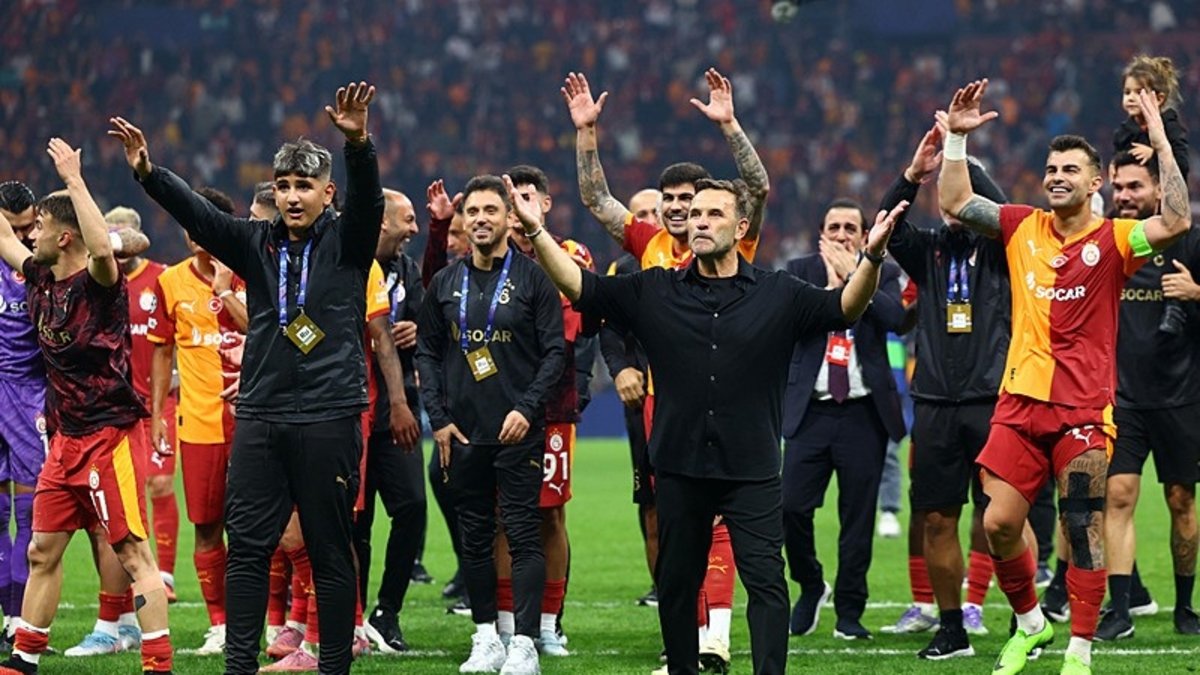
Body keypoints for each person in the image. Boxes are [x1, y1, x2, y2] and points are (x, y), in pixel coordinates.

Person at [509, 172, 907, 675]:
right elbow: (580, 286)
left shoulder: (779, 292)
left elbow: (845, 308)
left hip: (752, 469)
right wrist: (536, 231)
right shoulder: (654, 288)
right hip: (679, 466)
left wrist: (871, 258)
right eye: (694, 213)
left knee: (767, 584)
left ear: (741, 227)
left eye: (713, 213)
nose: (698, 221)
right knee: (677, 584)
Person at [113, 80, 384, 675]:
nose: (292, 196)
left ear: (327, 192)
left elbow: (369, 201)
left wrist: (359, 143)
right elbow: (200, 215)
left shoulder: (349, 242)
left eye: (304, 186)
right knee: (249, 551)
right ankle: (239, 667)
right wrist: (149, 173)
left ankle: (333, 667)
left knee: (330, 551)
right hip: (261, 417)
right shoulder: (256, 243)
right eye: (283, 185)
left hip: (329, 415)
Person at [938, 78, 1192, 675]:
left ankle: (1079, 650)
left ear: (1094, 182)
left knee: (1082, 527)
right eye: (1051, 169)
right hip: (1019, 404)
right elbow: (955, 202)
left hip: (1082, 411)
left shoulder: (1116, 239)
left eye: (1070, 170)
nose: (1057, 177)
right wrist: (956, 141)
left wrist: (1160, 142)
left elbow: (1177, 220)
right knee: (999, 523)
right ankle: (1032, 624)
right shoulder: (1021, 226)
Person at [565, 67, 770, 672]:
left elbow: (758, 188)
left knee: (724, 519)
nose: (680, 210)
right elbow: (597, 201)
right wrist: (586, 134)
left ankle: (717, 636)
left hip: (728, 398)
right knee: (679, 523)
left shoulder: (734, 241)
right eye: (671, 201)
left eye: (689, 201)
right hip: (667, 401)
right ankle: (687, 637)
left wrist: (730, 126)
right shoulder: (650, 245)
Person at [0, 138, 169, 675]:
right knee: (42, 551)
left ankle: (158, 664)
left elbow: (101, 249)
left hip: (109, 436)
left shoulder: (99, 285)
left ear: (64, 236)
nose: (31, 237)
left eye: (40, 228)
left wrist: (74, 179)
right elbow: (2, 235)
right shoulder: (39, 275)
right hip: (64, 439)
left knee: (133, 554)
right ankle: (23, 660)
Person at [415, 174, 565, 675]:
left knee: (522, 535)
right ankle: (485, 638)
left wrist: (527, 409)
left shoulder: (534, 278)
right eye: (473, 212)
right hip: (462, 434)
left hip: (518, 431)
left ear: (508, 218)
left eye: (490, 211)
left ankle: (524, 643)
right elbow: (427, 351)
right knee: (475, 539)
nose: (480, 219)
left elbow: (555, 353)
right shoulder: (445, 282)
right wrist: (438, 419)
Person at [880, 123, 1012, 657]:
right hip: (935, 403)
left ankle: (1026, 619)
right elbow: (887, 224)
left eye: (960, 195)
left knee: (1004, 518)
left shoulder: (1005, 250)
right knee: (937, 518)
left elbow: (1006, 212)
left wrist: (960, 155)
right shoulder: (928, 251)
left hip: (992, 401)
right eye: (944, 196)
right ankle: (952, 628)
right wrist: (914, 175)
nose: (950, 204)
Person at [782, 198, 906, 641]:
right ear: (821, 234)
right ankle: (811, 584)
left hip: (862, 413)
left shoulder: (883, 271)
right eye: (833, 227)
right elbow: (788, 322)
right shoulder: (799, 271)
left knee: (858, 519)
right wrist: (832, 289)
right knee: (790, 508)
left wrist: (857, 277)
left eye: (850, 228)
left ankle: (850, 612)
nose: (841, 235)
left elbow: (897, 319)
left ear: (865, 234)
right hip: (810, 410)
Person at [1095, 150, 1200, 640]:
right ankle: (1120, 610)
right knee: (1117, 497)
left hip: (1181, 395)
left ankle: (1185, 607)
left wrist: (1197, 294)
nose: (1124, 196)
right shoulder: (1106, 242)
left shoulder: (1190, 241)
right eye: (1118, 187)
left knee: (1181, 500)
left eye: (1135, 186)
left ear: (1160, 190)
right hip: (1123, 399)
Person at [495, 164, 598, 657]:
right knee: (501, 515)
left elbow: (570, 329)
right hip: (497, 404)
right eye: (510, 199)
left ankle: (550, 624)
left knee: (550, 514)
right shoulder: (488, 258)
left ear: (546, 204)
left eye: (527, 197)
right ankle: (505, 624)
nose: (518, 208)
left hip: (553, 404)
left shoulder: (572, 255)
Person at [65, 205, 177, 658]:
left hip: (148, 407)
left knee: (147, 497)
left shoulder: (160, 278)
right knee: (106, 520)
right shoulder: (91, 281)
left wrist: (170, 394)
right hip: (103, 413)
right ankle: (123, 619)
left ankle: (158, 581)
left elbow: (173, 340)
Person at [145, 187, 249, 656]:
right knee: (207, 526)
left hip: (254, 422)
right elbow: (161, 352)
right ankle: (221, 624)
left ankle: (274, 621)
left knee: (260, 528)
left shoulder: (254, 269)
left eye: (201, 222)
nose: (193, 233)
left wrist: (226, 289)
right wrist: (157, 416)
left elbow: (264, 328)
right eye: (188, 225)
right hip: (200, 425)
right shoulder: (171, 282)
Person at [357, 187, 428, 654]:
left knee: (412, 509)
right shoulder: (347, 264)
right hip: (354, 411)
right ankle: (353, 616)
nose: (414, 229)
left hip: (398, 410)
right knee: (356, 521)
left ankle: (387, 611)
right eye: (408, 219)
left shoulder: (406, 269)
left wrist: (418, 330)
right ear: (382, 221)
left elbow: (429, 326)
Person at [602, 188, 659, 607]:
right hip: (642, 401)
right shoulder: (622, 269)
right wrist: (620, 368)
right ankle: (663, 585)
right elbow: (610, 328)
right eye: (640, 214)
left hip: (693, 398)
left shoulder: (695, 259)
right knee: (650, 500)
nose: (650, 219)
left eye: (655, 211)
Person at [0, 182, 47, 651]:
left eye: (27, 227)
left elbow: (131, 241)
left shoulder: (43, 260)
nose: (21, 237)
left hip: (30, 396)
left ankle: (18, 619)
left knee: (33, 514)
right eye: (11, 229)